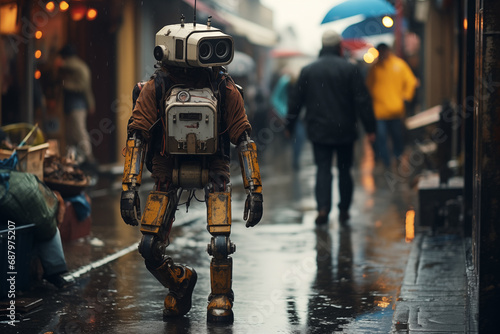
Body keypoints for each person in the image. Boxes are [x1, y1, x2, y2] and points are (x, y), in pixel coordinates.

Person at [120, 22, 263, 323]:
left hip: (213, 166)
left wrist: (255, 190)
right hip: (166, 165)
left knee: (221, 241)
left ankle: (221, 296)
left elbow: (243, 138)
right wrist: (129, 187)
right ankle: (180, 281)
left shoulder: (223, 88)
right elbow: (138, 135)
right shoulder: (156, 87)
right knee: (149, 245)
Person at [286, 30, 376, 225]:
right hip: (345, 129)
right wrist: (370, 128)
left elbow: (295, 101)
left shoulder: (308, 70)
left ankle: (323, 209)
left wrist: (289, 125)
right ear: (338, 47)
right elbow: (363, 100)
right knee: (345, 170)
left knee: (323, 169)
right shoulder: (350, 69)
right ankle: (343, 210)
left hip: (319, 130)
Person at [365, 43, 417, 170]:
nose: (383, 54)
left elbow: (411, 82)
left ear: (388, 51)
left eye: (384, 51)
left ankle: (397, 156)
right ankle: (387, 162)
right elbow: (368, 87)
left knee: (397, 136)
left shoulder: (399, 65)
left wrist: (406, 98)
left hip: (396, 110)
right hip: (379, 111)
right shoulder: (374, 68)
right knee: (382, 138)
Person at [56, 44, 96, 168]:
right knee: (71, 134)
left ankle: (88, 159)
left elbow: (83, 87)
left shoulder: (74, 66)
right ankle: (76, 160)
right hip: (74, 105)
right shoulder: (79, 67)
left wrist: (65, 85)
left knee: (78, 132)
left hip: (76, 105)